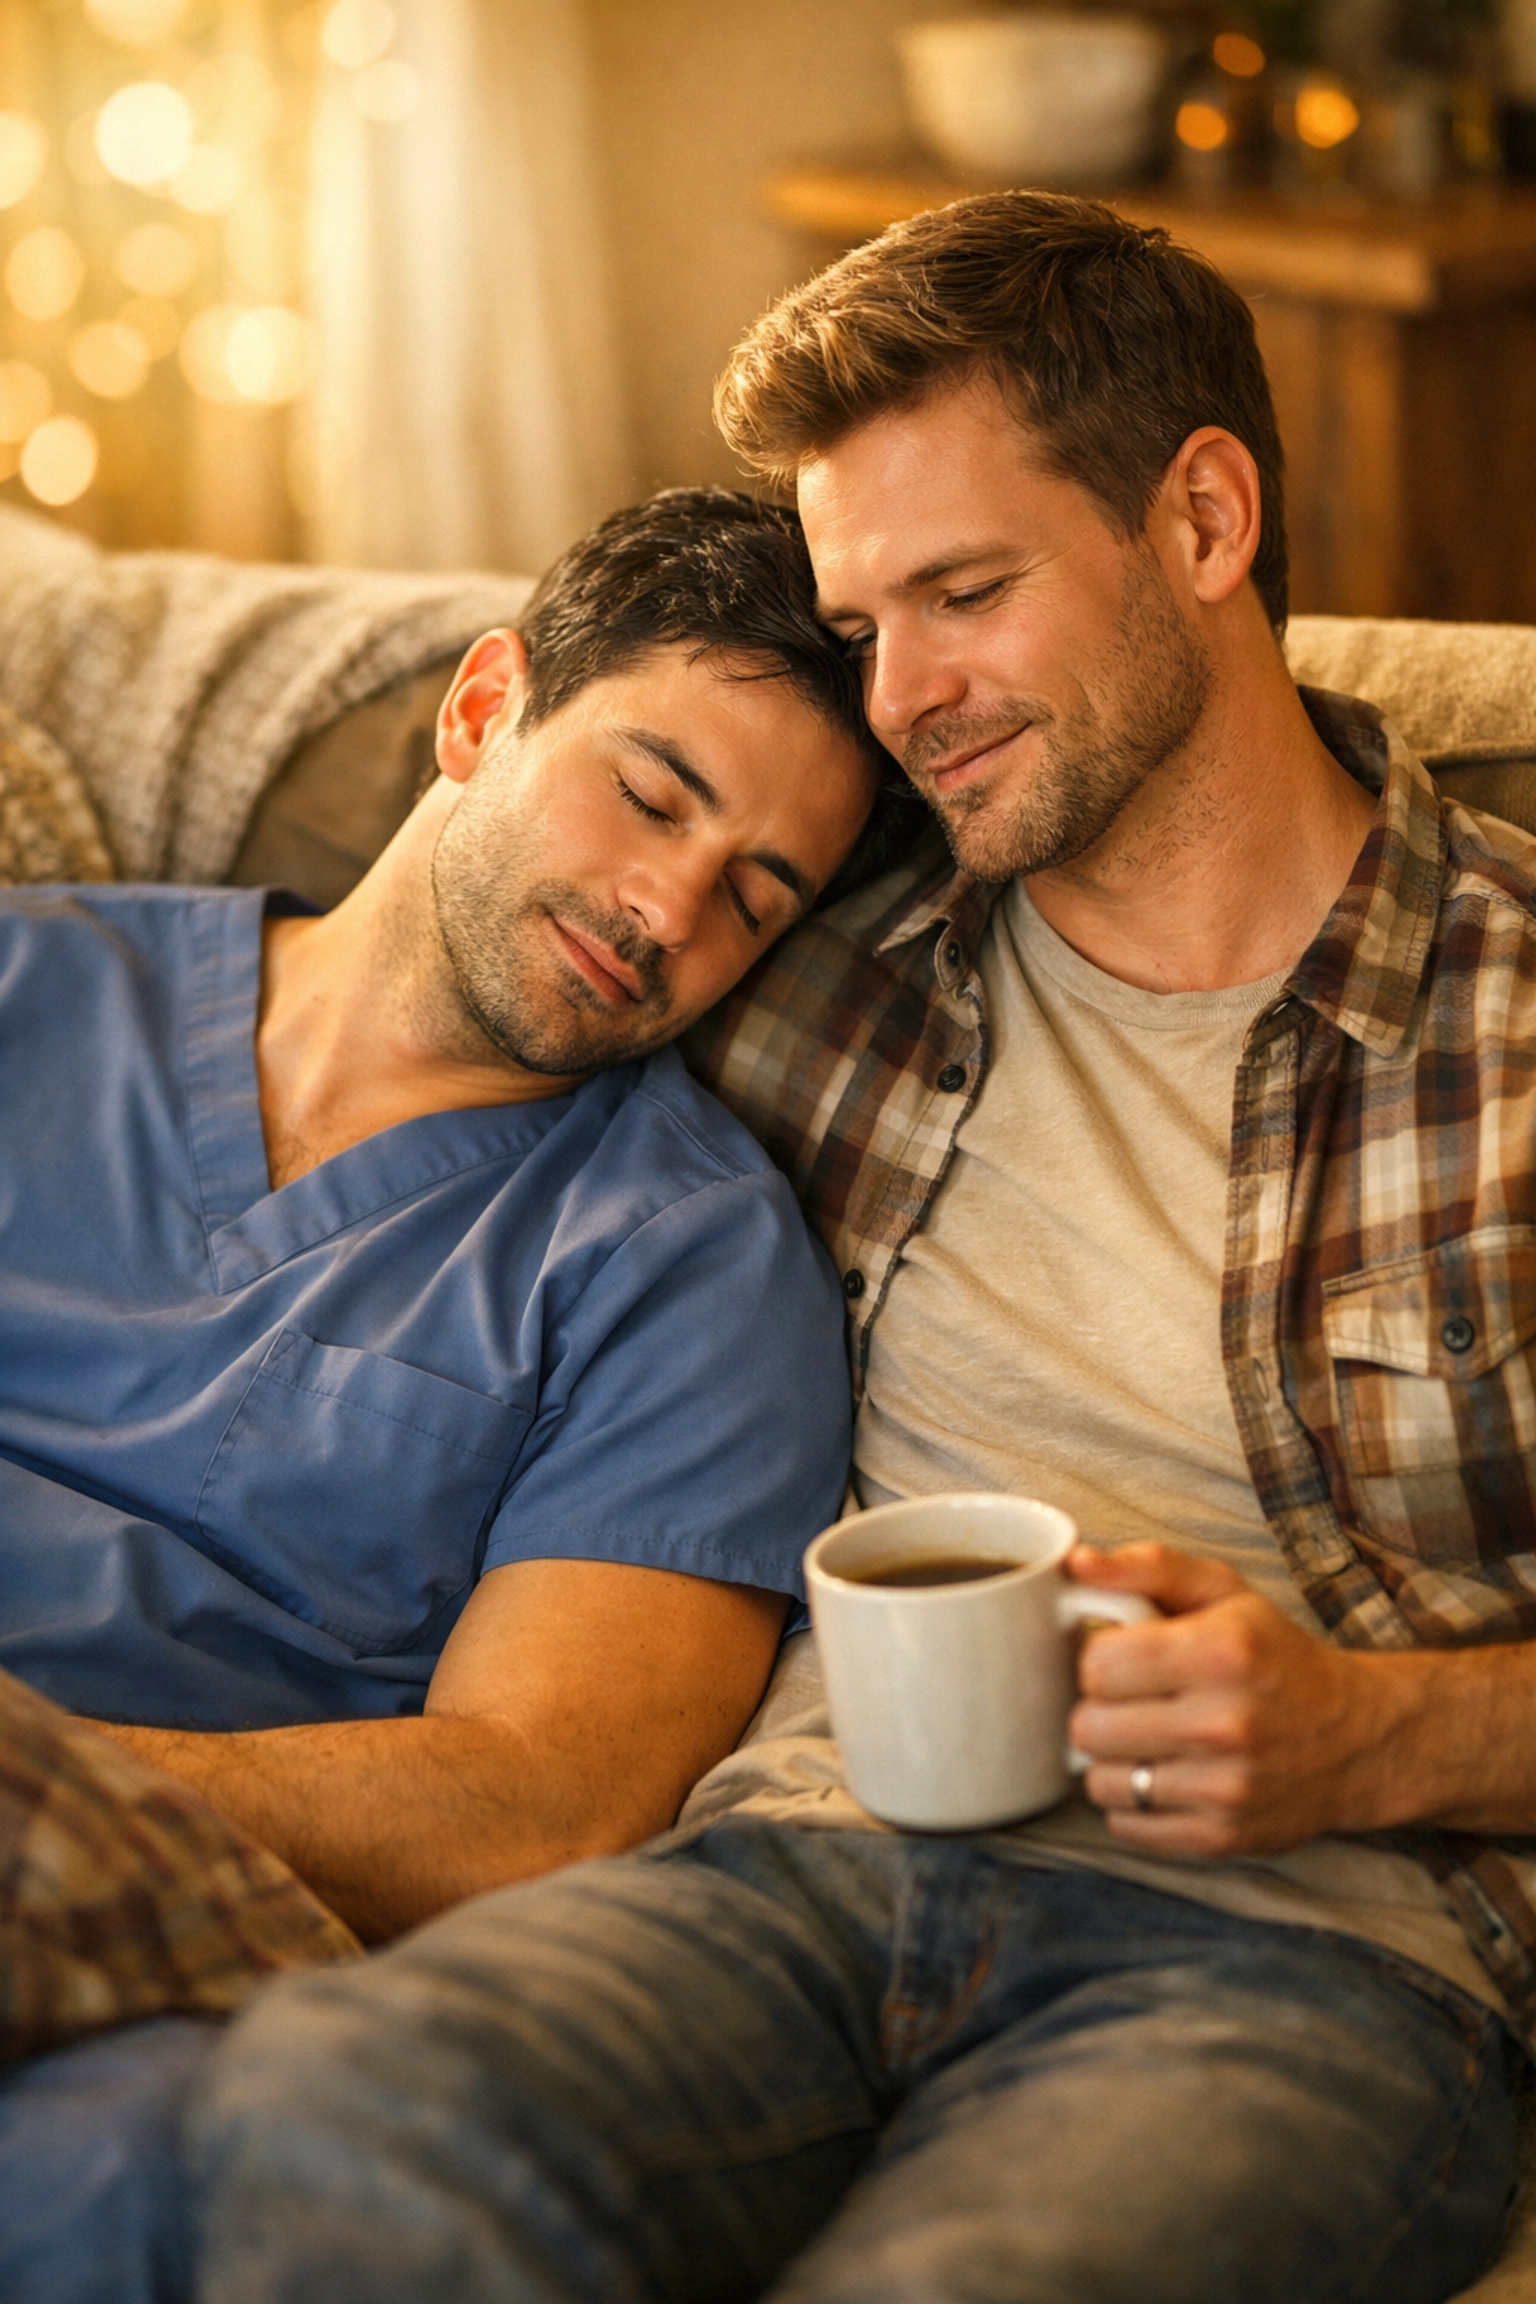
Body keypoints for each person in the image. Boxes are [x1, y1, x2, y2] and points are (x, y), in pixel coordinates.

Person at [189, 195, 1536, 2303]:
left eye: (966, 593)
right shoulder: (802, 965)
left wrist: (1380, 1733)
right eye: (861, 618)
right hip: (786, 1876)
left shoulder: (1513, 1024)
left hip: (1301, 1951)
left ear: (1202, 518)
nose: (898, 698)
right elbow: (455, 934)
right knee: (329, 2100)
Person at [0, 488, 904, 2299]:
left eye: (755, 896)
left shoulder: (686, 1260)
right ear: (484, 708)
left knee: (109, 2187)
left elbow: (539, 1814)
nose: (666, 911)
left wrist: (59, 1783)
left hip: (177, 1934)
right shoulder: (36, 977)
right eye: (653, 795)